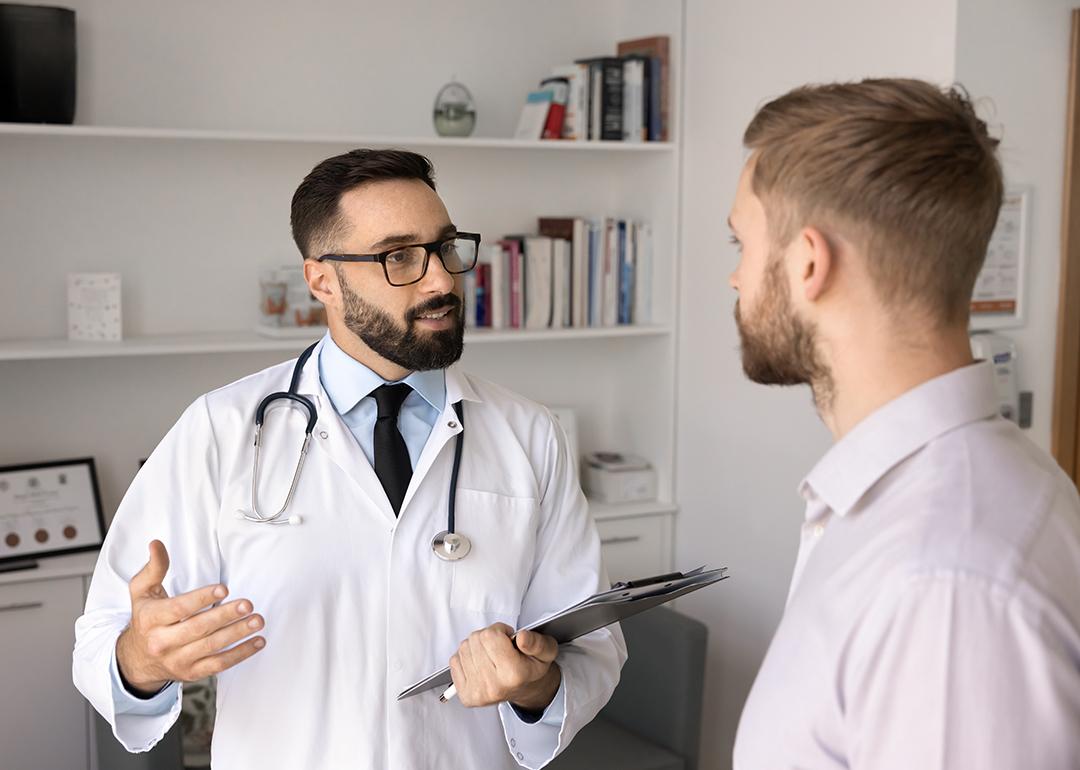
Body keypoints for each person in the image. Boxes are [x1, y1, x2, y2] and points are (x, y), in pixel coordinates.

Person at [73, 149, 625, 770]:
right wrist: (143, 659)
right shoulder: (221, 430)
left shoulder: (528, 435)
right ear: (322, 281)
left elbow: (593, 648)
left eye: (446, 247)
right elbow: (102, 641)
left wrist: (533, 687)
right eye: (399, 258)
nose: (441, 280)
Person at [727, 79, 1080, 769]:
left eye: (738, 242)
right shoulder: (934, 499)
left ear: (807, 263)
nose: (736, 279)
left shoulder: (946, 585)